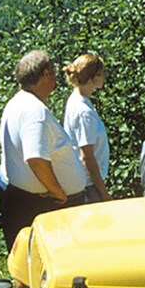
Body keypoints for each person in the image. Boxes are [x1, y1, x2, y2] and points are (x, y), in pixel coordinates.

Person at [0, 50, 87, 250]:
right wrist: (59, 193)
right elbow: (35, 158)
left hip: (26, 198)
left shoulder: (18, 102)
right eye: (53, 71)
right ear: (46, 73)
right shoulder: (34, 111)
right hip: (43, 204)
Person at [63, 54, 112, 204]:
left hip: (85, 182)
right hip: (89, 187)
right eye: (102, 73)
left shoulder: (76, 99)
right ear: (95, 78)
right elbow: (87, 157)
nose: (104, 76)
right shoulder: (84, 111)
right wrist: (104, 194)